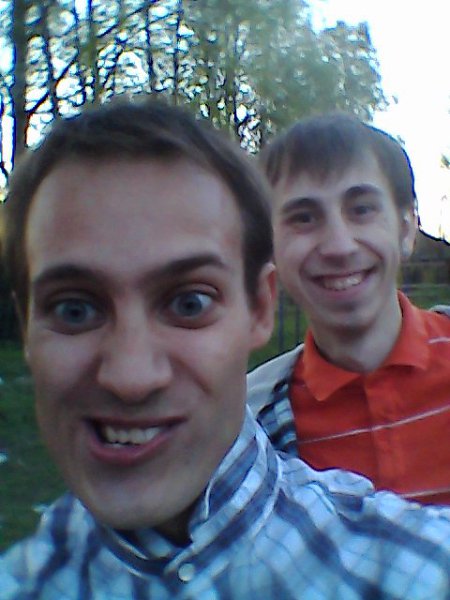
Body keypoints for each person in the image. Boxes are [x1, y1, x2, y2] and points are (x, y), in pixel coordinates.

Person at [1, 99, 450, 600]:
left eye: (188, 303)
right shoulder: (262, 408)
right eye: (74, 310)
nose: (339, 244)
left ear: (408, 226)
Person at [247, 112, 450, 505]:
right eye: (304, 218)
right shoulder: (251, 427)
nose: (338, 246)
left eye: (361, 210)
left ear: (407, 229)